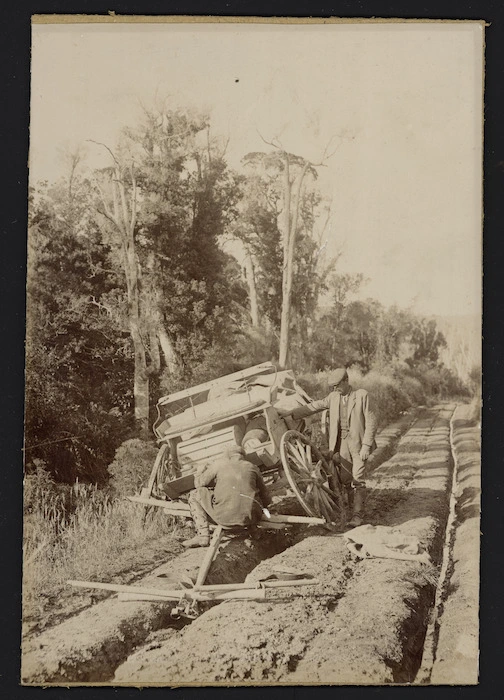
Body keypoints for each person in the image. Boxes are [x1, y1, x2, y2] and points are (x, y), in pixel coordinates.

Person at [283, 367, 377, 527]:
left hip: (359, 444)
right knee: (347, 480)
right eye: (333, 387)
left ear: (346, 381)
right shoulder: (333, 397)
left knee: (358, 479)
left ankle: (357, 516)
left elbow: (371, 422)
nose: (335, 389)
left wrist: (366, 446)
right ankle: (349, 511)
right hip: (341, 445)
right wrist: (290, 413)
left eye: (337, 385)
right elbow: (315, 406)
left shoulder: (362, 396)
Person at [182, 444, 271, 548]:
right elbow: (266, 497)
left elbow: (198, 484)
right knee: (247, 495)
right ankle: (253, 528)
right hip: (253, 518)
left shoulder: (219, 464)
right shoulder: (252, 467)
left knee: (194, 494)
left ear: (227, 456)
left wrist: (199, 472)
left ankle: (203, 535)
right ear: (243, 456)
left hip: (224, 519)